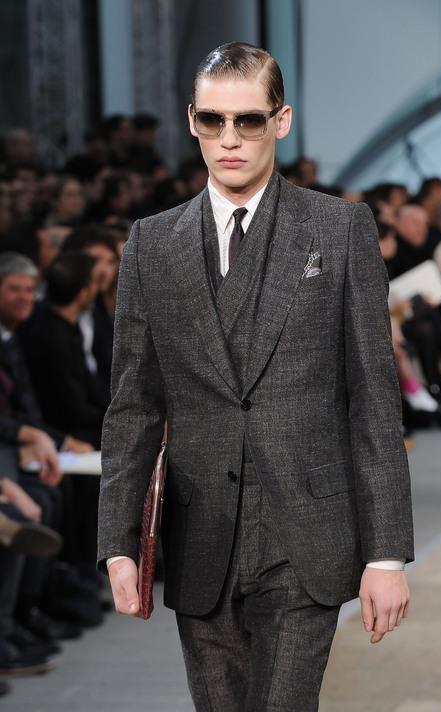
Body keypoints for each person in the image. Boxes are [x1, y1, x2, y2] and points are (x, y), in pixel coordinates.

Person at [98, 42, 414, 712]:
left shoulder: (340, 228)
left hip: (307, 533)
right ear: (192, 121)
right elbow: (134, 405)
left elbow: (373, 400)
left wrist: (386, 554)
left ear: (281, 120)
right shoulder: (152, 243)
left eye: (247, 119)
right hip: (199, 535)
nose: (230, 138)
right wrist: (119, 543)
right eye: (213, 120)